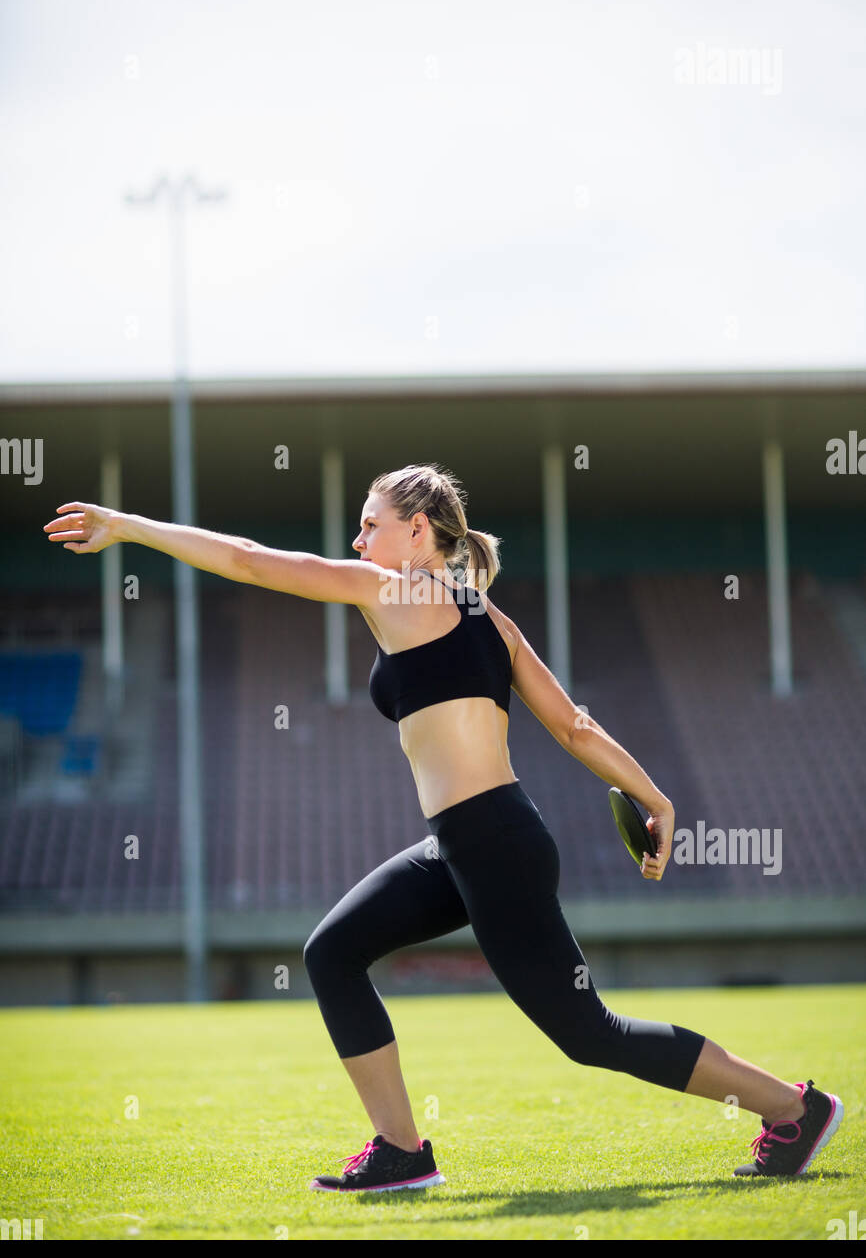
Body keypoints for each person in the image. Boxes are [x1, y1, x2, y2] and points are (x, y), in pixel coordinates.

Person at [43, 464, 843, 1194]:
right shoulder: (488, 619)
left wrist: (131, 527)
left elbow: (251, 559)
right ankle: (400, 1148)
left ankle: (791, 1108)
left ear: (417, 529)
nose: (358, 540)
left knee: (588, 1033)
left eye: (370, 524)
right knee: (333, 951)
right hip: (469, 843)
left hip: (491, 842)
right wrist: (654, 797)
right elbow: (574, 727)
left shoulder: (391, 592)